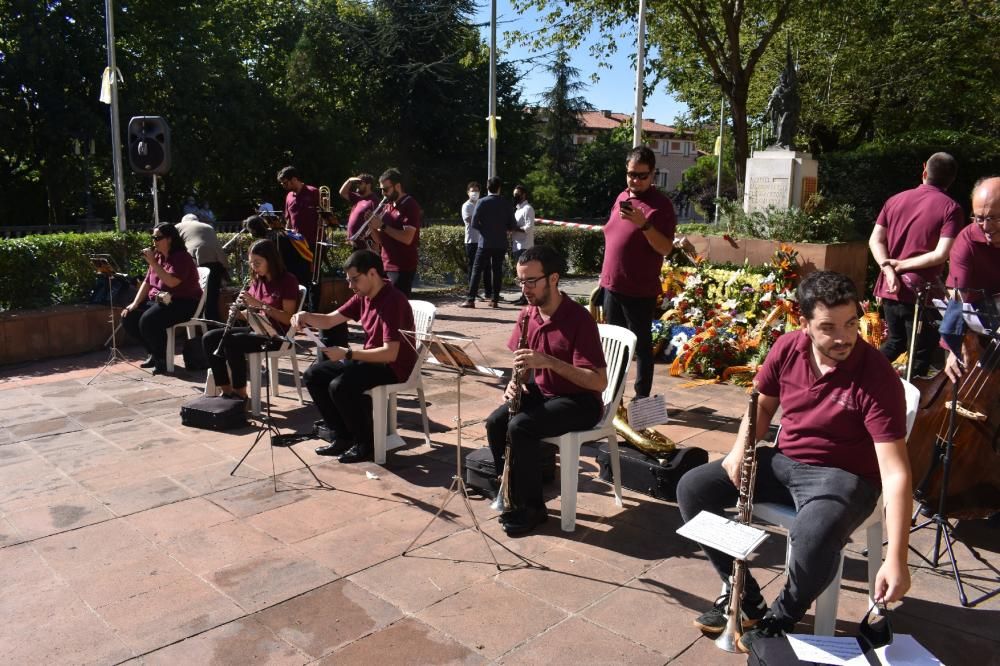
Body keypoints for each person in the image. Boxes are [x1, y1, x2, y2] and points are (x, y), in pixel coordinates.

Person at [676, 271, 912, 654]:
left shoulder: (875, 375)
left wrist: (896, 557)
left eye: (851, 323)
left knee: (812, 532)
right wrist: (740, 449)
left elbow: (896, 472)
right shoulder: (788, 348)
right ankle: (747, 600)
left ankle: (782, 617)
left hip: (845, 477)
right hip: (785, 460)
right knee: (692, 488)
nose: (843, 337)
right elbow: (763, 404)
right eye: (828, 327)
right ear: (804, 325)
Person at [486, 245, 608, 535]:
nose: (525, 288)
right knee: (495, 422)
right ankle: (510, 491)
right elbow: (524, 367)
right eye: (520, 281)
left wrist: (549, 362)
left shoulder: (578, 319)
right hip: (545, 393)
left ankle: (533, 509)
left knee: (522, 427)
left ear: (553, 279)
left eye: (531, 281)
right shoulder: (528, 315)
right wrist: (515, 382)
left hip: (580, 401)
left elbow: (598, 381)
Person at [293, 250, 416, 463]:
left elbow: (391, 353)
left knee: (341, 386)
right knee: (314, 375)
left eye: (354, 280)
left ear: (372, 274)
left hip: (393, 366)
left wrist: (348, 353)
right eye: (349, 280)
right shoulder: (363, 296)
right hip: (370, 359)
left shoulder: (392, 300)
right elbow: (330, 320)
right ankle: (342, 436)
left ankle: (365, 444)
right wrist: (305, 316)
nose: (351, 286)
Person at [869, 152, 963, 378]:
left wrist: (889, 268)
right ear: (952, 179)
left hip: (891, 289)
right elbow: (941, 254)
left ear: (924, 170)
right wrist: (899, 266)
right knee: (920, 354)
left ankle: (860, 376)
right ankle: (911, 407)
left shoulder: (894, 200)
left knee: (896, 342)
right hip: (921, 292)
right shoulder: (951, 208)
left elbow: (875, 240)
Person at [599, 145, 677, 399]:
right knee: (614, 347)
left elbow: (666, 248)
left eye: (642, 175)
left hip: (639, 289)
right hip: (612, 286)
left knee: (641, 347)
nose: (636, 180)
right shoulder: (622, 197)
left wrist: (644, 224)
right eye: (632, 174)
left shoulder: (661, 206)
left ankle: (641, 401)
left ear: (653, 175)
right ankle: (614, 398)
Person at [201, 239, 299, 401]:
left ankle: (240, 394)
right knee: (209, 338)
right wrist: (238, 312)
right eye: (251, 263)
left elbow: (288, 318)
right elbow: (252, 313)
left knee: (232, 342)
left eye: (258, 262)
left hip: (276, 335)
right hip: (257, 329)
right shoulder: (257, 280)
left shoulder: (288, 281)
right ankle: (226, 390)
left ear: (271, 260)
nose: (254, 267)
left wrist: (259, 304)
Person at [121, 223, 204, 374]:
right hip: (161, 301)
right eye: (153, 237)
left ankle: (162, 360)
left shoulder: (181, 257)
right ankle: (153, 353)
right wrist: (134, 303)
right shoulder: (158, 256)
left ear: (170, 239)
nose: (154, 241)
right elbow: (147, 282)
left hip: (183, 302)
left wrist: (152, 262)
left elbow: (172, 282)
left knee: (149, 320)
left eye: (158, 238)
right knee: (129, 316)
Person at [943, 176, 1000, 383]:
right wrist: (954, 346)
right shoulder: (967, 239)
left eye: (994, 218)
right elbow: (958, 294)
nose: (986, 226)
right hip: (977, 319)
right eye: (979, 218)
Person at [460, 176, 517, 309]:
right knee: (497, 270)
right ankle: (494, 299)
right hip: (501, 242)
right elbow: (512, 224)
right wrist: (504, 230)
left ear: (487, 187)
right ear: (499, 188)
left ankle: (470, 299)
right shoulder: (506, 203)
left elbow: (474, 222)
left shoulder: (482, 202)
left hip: (484, 242)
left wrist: (484, 230)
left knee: (476, 270)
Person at [369, 168, 421, 297]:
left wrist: (382, 225)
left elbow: (407, 238)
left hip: (402, 266)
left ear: (397, 186)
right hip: (386, 264)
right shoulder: (388, 206)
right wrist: (372, 226)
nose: (383, 193)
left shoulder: (410, 205)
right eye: (381, 190)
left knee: (397, 308)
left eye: (386, 189)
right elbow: (380, 240)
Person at [175, 213, 228, 324]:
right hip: (216, 261)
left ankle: (201, 323)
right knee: (212, 296)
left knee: (198, 294)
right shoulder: (208, 226)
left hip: (195, 259)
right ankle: (213, 323)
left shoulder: (178, 226)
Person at [277, 165, 320, 255]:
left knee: (313, 269)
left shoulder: (313, 192)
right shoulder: (288, 196)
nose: (283, 186)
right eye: (282, 184)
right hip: (297, 243)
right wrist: (286, 237)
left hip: (314, 242)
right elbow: (289, 220)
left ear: (294, 179)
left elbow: (324, 216)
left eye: (285, 183)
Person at [462, 181, 491, 301]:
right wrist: (484, 223)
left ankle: (489, 292)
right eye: (472, 191)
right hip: (471, 241)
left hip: (483, 240)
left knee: (487, 267)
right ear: (468, 192)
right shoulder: (466, 205)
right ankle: (473, 292)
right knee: (473, 267)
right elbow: (469, 220)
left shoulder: (481, 204)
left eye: (476, 191)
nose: (474, 193)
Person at [509, 184, 535, 306]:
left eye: (517, 194)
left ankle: (525, 297)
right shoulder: (517, 210)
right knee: (520, 274)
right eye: (514, 194)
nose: (515, 196)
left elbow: (529, 228)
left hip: (524, 245)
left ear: (524, 194)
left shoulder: (528, 209)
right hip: (516, 245)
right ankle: (523, 296)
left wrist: (515, 228)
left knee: (525, 274)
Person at [339, 173, 379, 250]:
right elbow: (342, 192)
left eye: (360, 183)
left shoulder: (374, 201)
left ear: (368, 185)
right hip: (353, 243)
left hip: (365, 245)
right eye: (356, 183)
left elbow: (377, 222)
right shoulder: (357, 197)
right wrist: (349, 180)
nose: (357, 185)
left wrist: (376, 243)